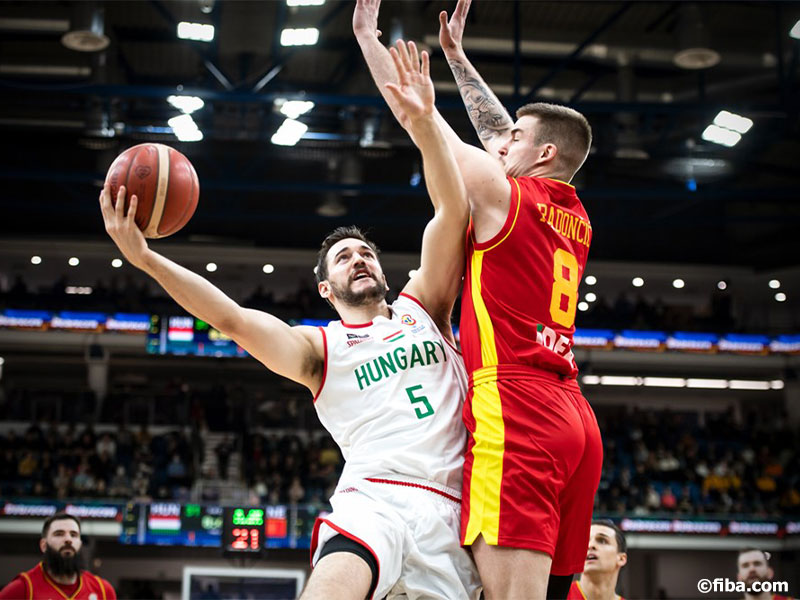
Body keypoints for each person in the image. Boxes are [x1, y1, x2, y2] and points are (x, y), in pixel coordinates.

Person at [97, 41, 478, 600]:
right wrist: (146, 259)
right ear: (325, 288)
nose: (360, 258)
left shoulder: (427, 308)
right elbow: (230, 318)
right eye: (345, 257)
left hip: (453, 511)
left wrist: (423, 123)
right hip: (374, 501)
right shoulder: (318, 348)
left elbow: (452, 211)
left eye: (366, 252)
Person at [353, 1, 602, 598]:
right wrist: (459, 58)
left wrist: (367, 38)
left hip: (518, 406)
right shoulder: (573, 212)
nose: (500, 141)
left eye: (517, 137)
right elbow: (497, 135)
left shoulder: (502, 196)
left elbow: (417, 116)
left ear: (541, 155)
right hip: (575, 418)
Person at [0, 512, 116, 600]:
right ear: (44, 545)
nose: (68, 539)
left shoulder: (103, 590)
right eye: (59, 534)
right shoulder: (23, 588)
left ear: (80, 545)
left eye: (73, 535)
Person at [567, 521, 627, 600]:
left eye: (602, 541)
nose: (590, 545)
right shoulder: (555, 594)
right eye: (585, 541)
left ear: (621, 559)